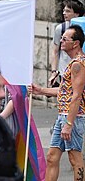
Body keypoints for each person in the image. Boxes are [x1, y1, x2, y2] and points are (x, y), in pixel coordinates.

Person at [29, 24, 85, 181]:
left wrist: (69, 123)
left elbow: (76, 96)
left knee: (75, 159)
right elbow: (64, 91)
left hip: (72, 117)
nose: (61, 41)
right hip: (64, 116)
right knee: (52, 157)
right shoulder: (73, 63)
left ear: (76, 43)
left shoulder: (78, 64)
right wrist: (40, 90)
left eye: (65, 39)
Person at [49, 0, 84, 87]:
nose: (64, 13)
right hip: (64, 70)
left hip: (80, 70)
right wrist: (54, 71)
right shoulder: (61, 28)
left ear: (77, 14)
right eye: (64, 10)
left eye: (68, 11)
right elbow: (55, 51)